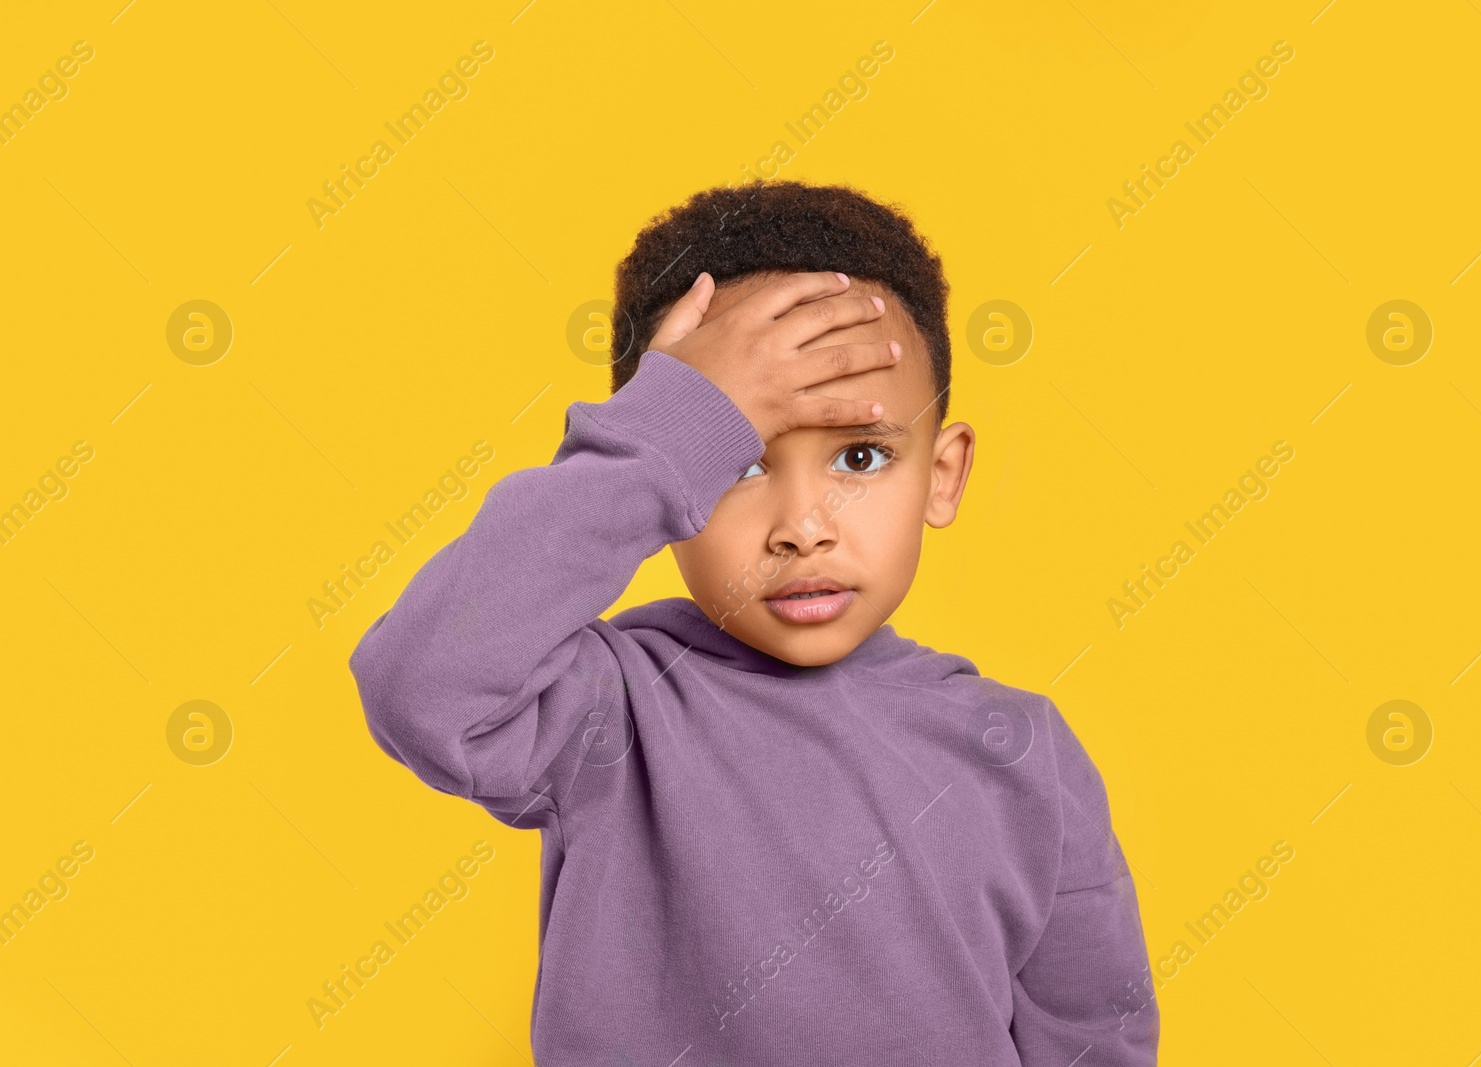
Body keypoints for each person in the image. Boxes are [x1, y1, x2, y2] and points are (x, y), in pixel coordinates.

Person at [348, 179, 1158, 1065]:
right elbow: (418, 685)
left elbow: (1096, 1041)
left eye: (861, 455)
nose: (803, 526)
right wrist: (664, 434)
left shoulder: (1025, 754)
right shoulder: (611, 714)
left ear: (943, 472)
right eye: (736, 461)